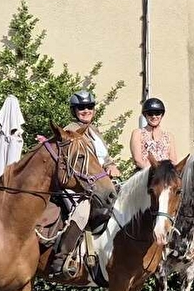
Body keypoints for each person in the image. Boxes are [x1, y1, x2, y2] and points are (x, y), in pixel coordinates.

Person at [47, 90, 118, 280]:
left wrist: (111, 166)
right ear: (74, 110)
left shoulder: (94, 131)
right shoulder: (72, 132)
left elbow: (104, 158)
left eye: (89, 107)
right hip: (77, 185)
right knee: (83, 210)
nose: (86, 110)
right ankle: (61, 260)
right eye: (81, 108)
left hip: (100, 183)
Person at [129, 97, 180, 169]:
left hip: (164, 176)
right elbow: (138, 160)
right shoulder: (138, 133)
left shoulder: (169, 136)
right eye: (150, 114)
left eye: (157, 113)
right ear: (145, 115)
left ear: (162, 115)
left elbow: (173, 161)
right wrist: (155, 172)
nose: (154, 116)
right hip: (144, 175)